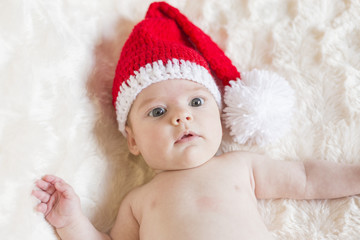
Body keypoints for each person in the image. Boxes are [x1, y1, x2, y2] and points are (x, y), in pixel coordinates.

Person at [32, 2, 360, 240]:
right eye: (158, 111)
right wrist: (70, 223)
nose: (182, 115)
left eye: (197, 101)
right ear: (132, 140)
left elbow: (306, 178)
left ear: (219, 114)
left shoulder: (240, 167)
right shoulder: (138, 202)